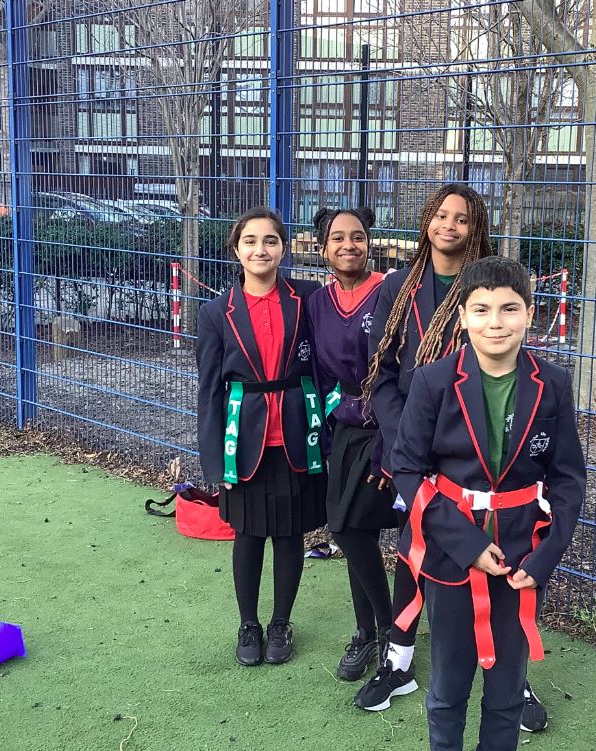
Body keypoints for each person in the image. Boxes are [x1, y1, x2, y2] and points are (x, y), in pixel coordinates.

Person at [390, 256, 586, 751]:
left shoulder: (553, 383)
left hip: (522, 558)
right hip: (450, 555)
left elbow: (567, 479)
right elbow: (407, 467)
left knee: (506, 694)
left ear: (530, 314)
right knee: (448, 688)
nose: (495, 322)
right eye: (481, 310)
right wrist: (467, 544)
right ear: (462, 317)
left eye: (509, 309)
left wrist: (545, 557)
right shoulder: (433, 381)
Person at [355, 183, 492, 712]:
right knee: (412, 551)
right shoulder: (398, 286)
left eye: (461, 218)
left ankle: (506, 671)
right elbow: (382, 373)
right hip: (411, 444)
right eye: (441, 214)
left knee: (487, 550)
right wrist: (403, 437)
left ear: (476, 228)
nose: (448, 225)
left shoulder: (487, 285)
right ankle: (399, 662)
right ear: (426, 221)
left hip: (472, 444)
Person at [196, 206, 327, 667]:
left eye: (270, 240)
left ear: (284, 248)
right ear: (236, 249)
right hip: (243, 442)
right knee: (248, 534)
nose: (260, 249)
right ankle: (248, 623)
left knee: (289, 534)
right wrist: (214, 459)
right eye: (250, 241)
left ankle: (281, 623)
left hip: (296, 437)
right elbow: (209, 389)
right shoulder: (216, 313)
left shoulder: (308, 299)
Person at [306, 206, 397, 681]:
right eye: (338, 238)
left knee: (349, 531)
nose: (349, 245)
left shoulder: (390, 291)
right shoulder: (317, 303)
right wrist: (323, 431)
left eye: (357, 236)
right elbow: (319, 375)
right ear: (323, 249)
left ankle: (389, 632)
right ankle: (368, 633)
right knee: (353, 530)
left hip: (385, 425)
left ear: (369, 242)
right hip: (344, 427)